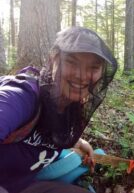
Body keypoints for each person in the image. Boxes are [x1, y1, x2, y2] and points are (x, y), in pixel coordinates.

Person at [0, 27, 117, 193]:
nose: (82, 75)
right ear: (54, 59)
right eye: (72, 62)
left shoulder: (69, 105)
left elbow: (49, 126)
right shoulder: (20, 97)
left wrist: (79, 142)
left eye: (93, 67)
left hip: (22, 184)